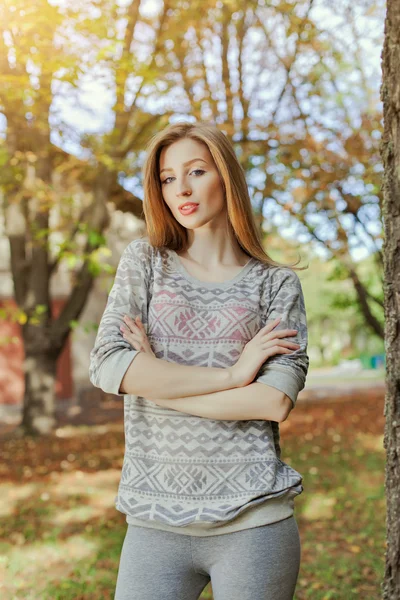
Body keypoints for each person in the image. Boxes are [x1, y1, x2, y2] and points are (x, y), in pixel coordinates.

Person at [89, 121, 309, 600]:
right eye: (168, 178)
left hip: (255, 520)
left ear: (225, 177)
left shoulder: (276, 284)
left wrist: (154, 382)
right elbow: (109, 366)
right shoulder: (144, 263)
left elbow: (272, 401)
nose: (181, 189)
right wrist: (233, 376)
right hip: (154, 522)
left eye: (195, 171)